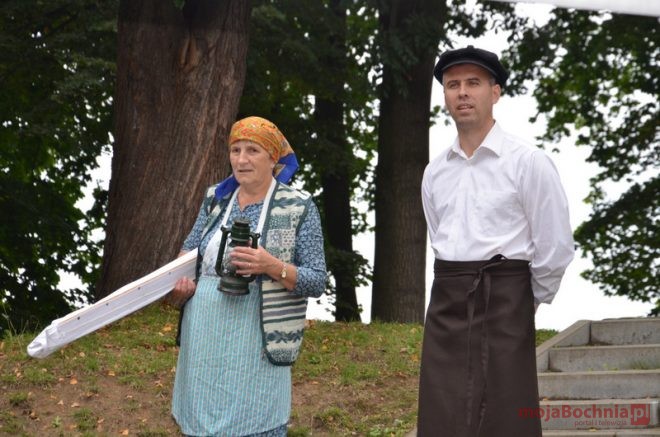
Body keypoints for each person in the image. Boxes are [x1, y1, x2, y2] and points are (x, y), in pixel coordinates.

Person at [418, 46, 575, 436]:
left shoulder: (528, 162)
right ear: (445, 96)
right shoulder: (435, 173)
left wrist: (523, 300)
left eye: (473, 83)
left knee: (507, 416)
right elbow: (439, 236)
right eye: (453, 84)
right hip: (448, 300)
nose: (462, 93)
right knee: (442, 413)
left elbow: (555, 247)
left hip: (507, 296)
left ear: (495, 92)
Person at [166, 116, 326, 436]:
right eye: (235, 150)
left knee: (255, 420)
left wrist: (270, 265)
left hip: (258, 340)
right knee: (200, 422)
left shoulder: (297, 207)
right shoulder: (216, 199)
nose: (241, 160)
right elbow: (187, 255)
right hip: (203, 339)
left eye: (252, 150)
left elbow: (316, 280)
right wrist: (179, 288)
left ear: (273, 158)